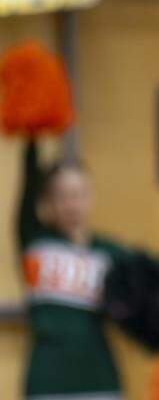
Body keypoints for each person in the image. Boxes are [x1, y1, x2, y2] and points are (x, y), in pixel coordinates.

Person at [16, 140, 127, 400]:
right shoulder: (34, 239)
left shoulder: (111, 253)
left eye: (78, 194)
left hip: (100, 380)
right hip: (46, 382)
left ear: (91, 197)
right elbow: (28, 181)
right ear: (48, 201)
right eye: (62, 195)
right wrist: (33, 132)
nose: (71, 204)